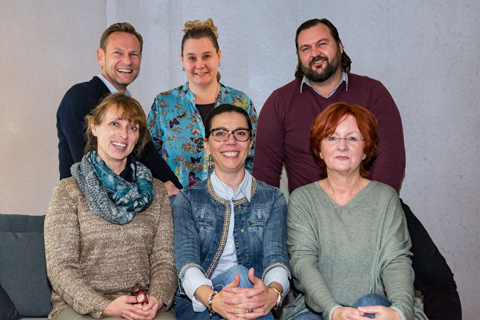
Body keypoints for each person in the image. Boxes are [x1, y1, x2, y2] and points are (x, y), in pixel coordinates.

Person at [252, 18, 461, 319]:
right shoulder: (280, 102)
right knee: (278, 278)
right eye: (305, 48)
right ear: (299, 57)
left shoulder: (372, 92)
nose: (315, 53)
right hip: (310, 217)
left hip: (374, 206)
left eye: (322, 43)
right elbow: (265, 175)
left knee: (438, 278)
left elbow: (390, 159)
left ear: (339, 46)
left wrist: (369, 204)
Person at [283, 103, 427, 320]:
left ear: (366, 150)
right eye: (331, 138)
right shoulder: (302, 200)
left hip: (376, 304)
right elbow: (303, 263)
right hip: (318, 310)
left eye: (352, 138)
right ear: (319, 150)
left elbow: (396, 261)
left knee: (369, 304)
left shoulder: (385, 198)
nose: (342, 146)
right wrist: (333, 311)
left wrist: (399, 313)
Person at [45, 93, 177, 320]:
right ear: (94, 127)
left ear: (139, 137)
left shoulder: (156, 191)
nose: (123, 134)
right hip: (81, 306)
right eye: (114, 123)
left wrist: (157, 298)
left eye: (133, 127)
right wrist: (104, 306)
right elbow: (60, 267)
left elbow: (164, 261)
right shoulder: (68, 191)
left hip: (142, 304)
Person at [172, 104, 289, 319]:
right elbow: (187, 265)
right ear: (206, 145)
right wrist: (214, 300)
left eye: (240, 133)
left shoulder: (273, 198)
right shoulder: (188, 199)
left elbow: (277, 259)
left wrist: (273, 294)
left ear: (251, 142)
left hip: (255, 301)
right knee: (240, 276)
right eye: (220, 133)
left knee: (244, 282)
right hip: (200, 304)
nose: (231, 140)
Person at [56, 22, 182, 195]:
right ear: (101, 57)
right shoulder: (79, 97)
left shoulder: (130, 108)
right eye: (118, 53)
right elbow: (91, 167)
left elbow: (150, 159)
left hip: (128, 209)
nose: (127, 61)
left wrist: (179, 193)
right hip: (84, 210)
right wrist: (156, 190)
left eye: (134, 54)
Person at [147, 18, 258, 188]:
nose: (200, 65)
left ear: (218, 56)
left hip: (233, 206)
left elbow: (256, 156)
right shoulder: (163, 105)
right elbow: (148, 157)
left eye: (206, 56)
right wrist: (161, 186)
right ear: (182, 60)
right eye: (192, 58)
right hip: (178, 208)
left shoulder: (241, 103)